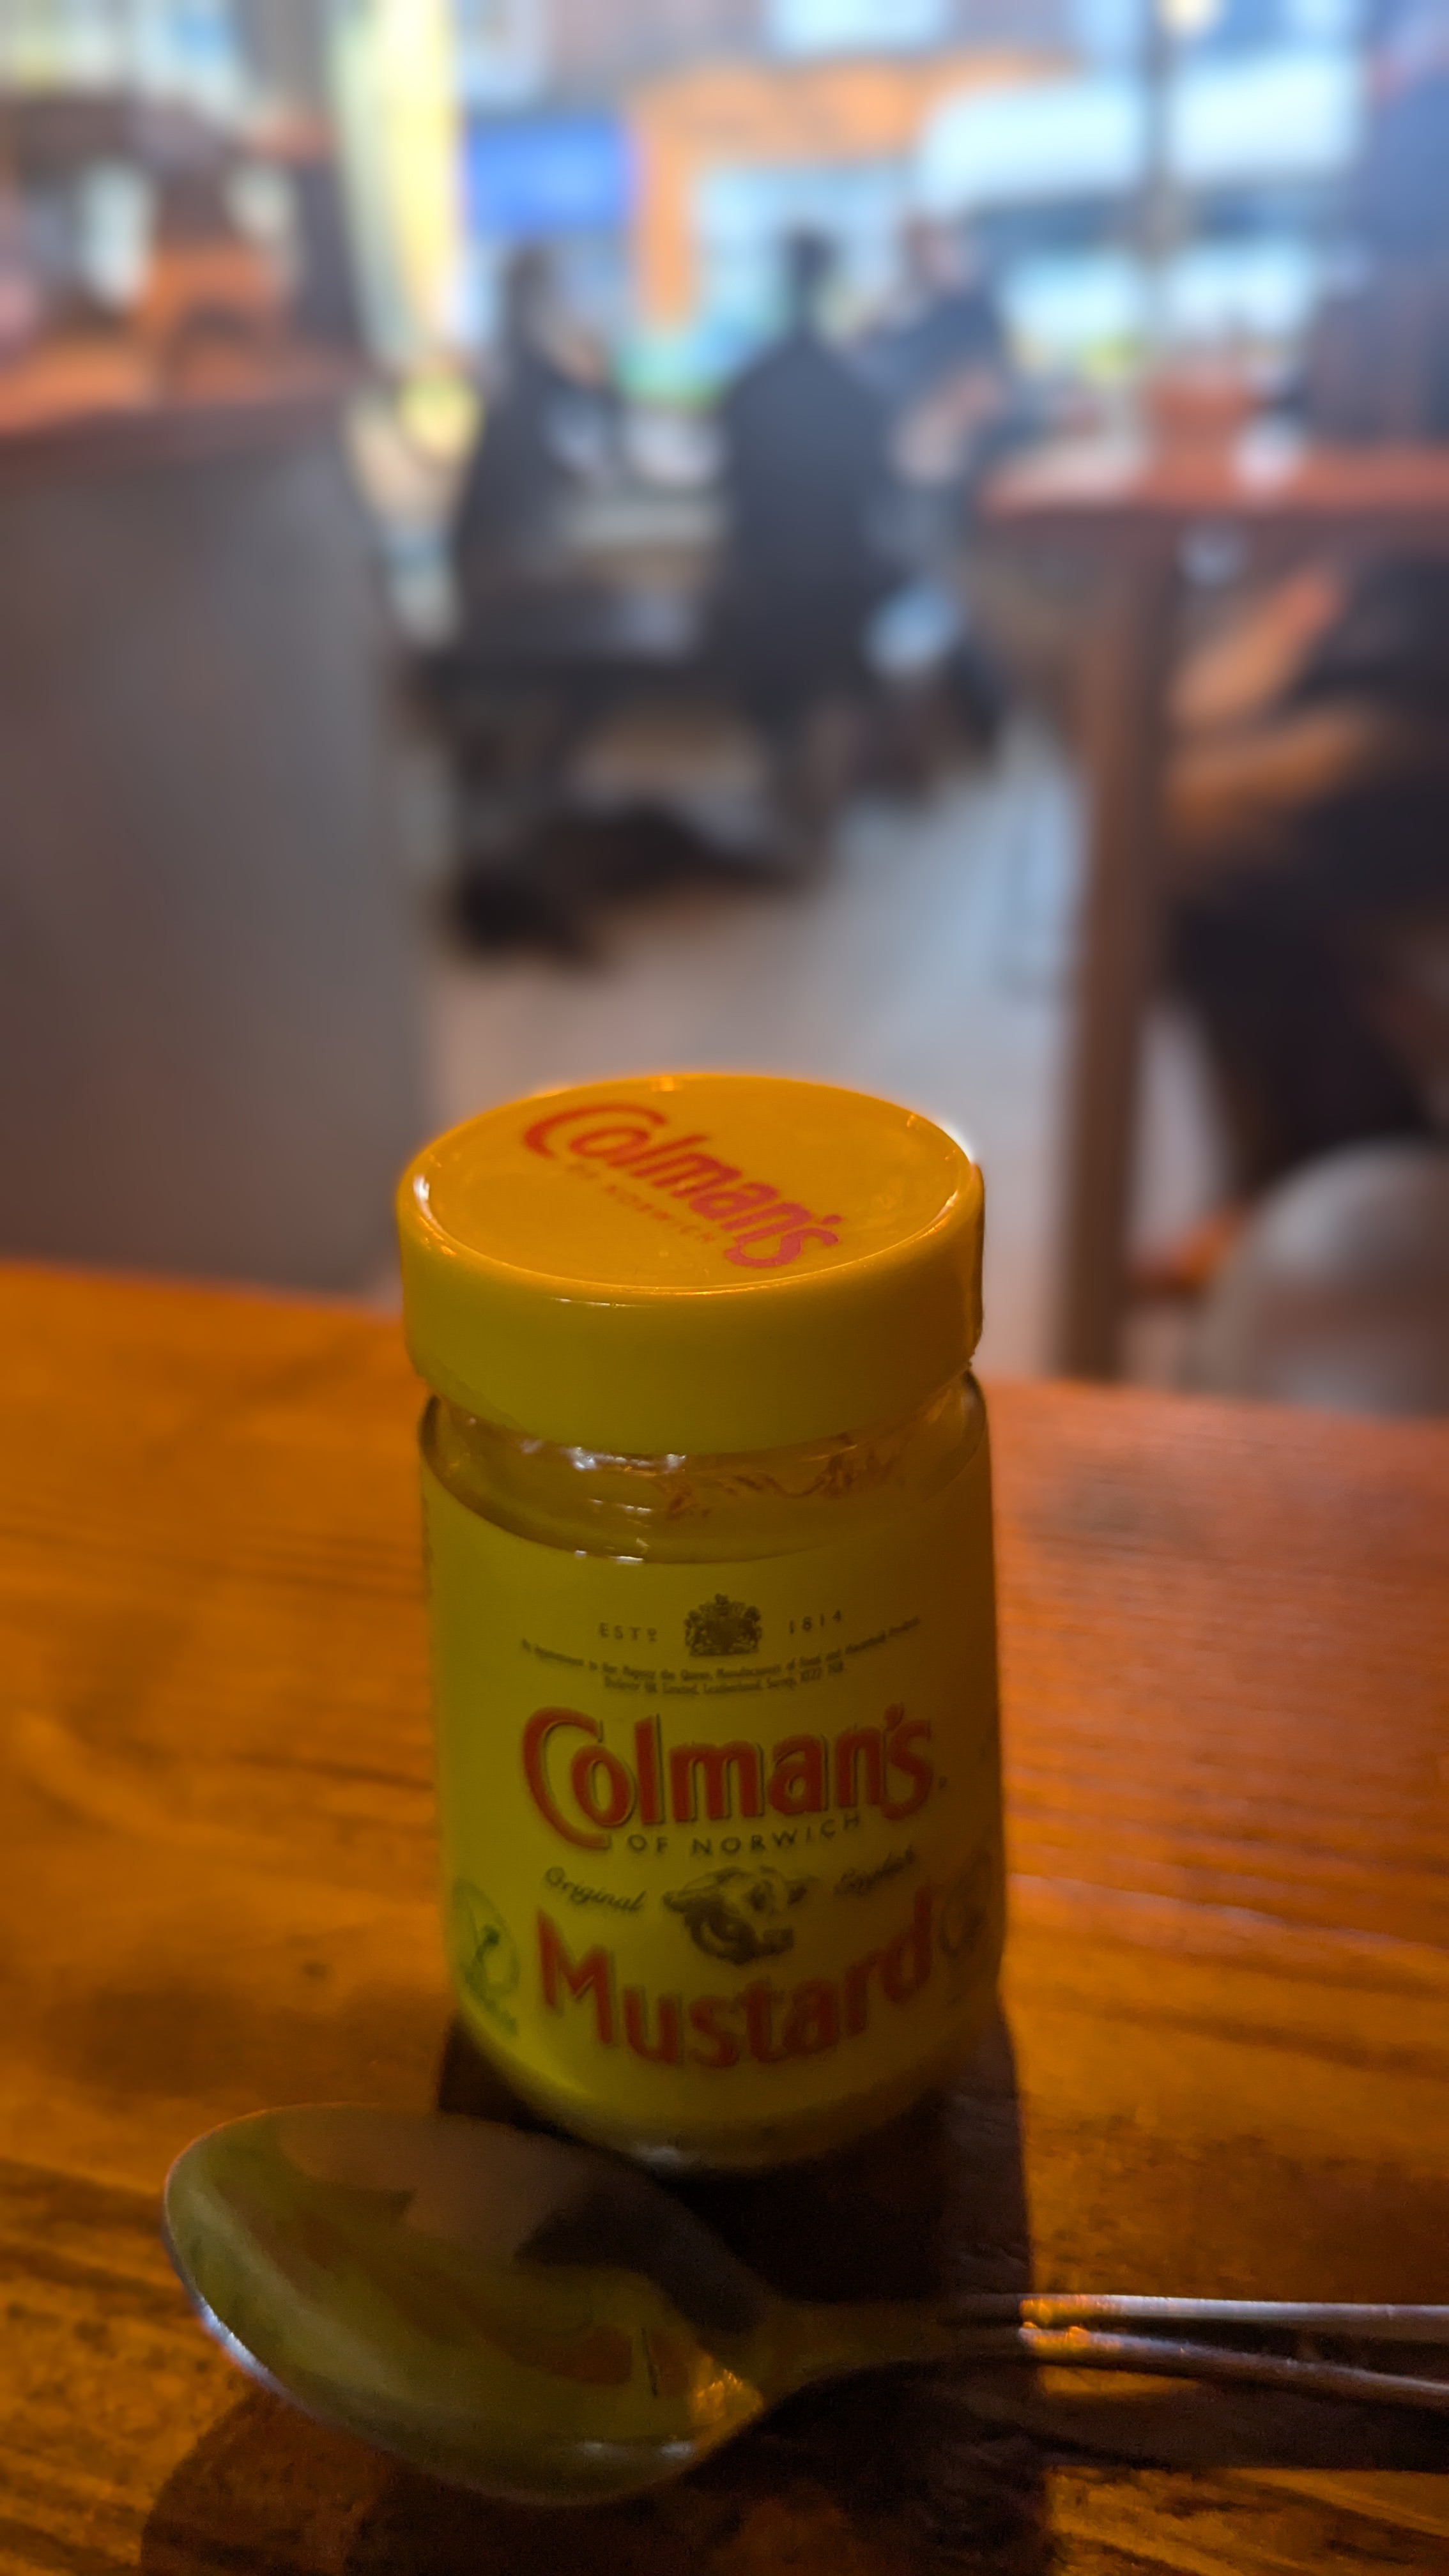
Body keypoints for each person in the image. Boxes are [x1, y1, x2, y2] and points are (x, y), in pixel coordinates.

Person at [714, 229, 896, 745]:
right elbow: (882, 497)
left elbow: (729, 492)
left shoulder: (744, 389)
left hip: (765, 606)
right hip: (843, 606)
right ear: (832, 286)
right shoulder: (861, 393)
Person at [450, 245, 612, 611]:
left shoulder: (494, 378)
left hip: (484, 559)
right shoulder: (552, 384)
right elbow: (590, 465)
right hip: (526, 562)